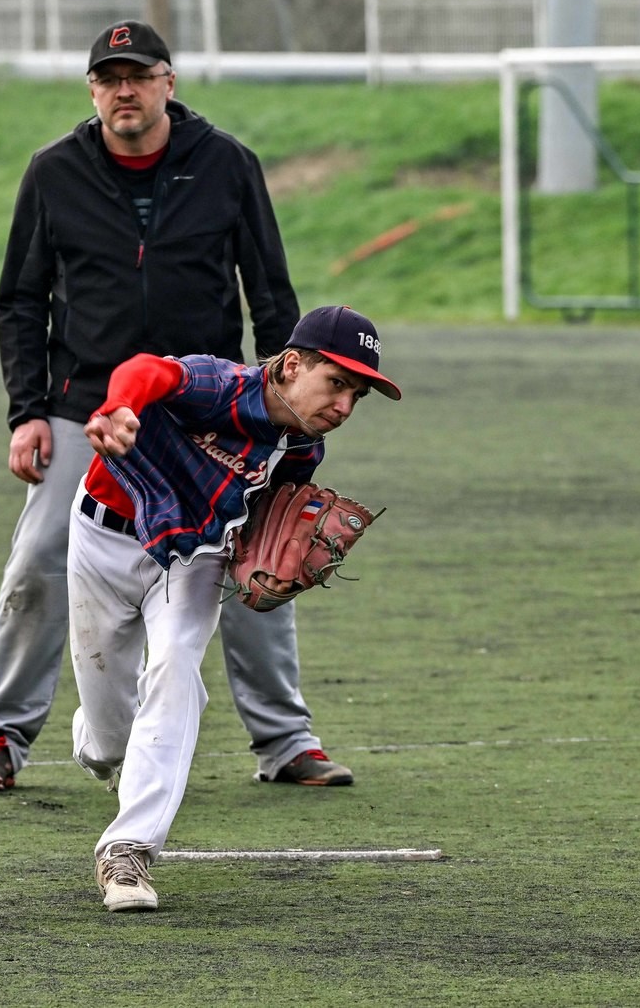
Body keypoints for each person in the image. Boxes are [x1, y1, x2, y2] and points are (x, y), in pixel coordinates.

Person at [0, 19, 353, 793]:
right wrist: (26, 410)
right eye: (109, 78)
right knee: (40, 555)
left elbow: (270, 291)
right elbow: (21, 300)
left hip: (213, 408)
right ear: (93, 90)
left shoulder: (227, 164)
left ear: (169, 81)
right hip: (88, 406)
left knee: (255, 554)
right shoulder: (54, 172)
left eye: (138, 75)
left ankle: (285, 739)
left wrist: (290, 406)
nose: (124, 90)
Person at [71, 304, 402, 911]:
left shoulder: (301, 448)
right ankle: (101, 732)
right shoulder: (221, 385)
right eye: (336, 383)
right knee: (107, 743)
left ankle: (128, 853)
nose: (344, 407)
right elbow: (149, 370)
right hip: (102, 539)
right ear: (293, 364)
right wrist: (116, 408)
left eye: (357, 395)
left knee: (175, 670)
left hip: (194, 557)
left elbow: (267, 518)